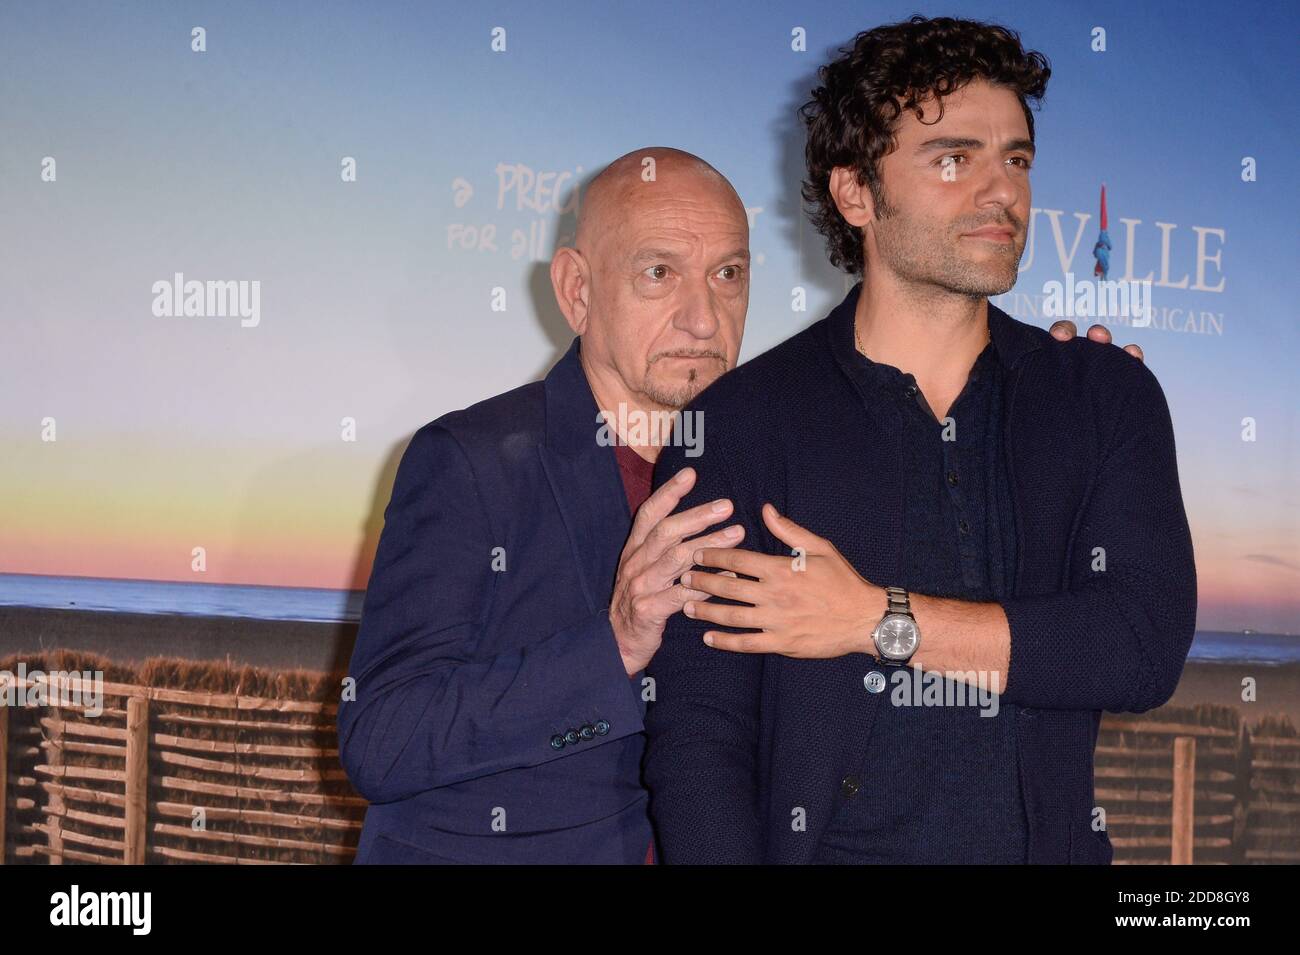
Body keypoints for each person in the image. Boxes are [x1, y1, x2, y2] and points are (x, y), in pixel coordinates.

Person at [642, 16, 1195, 865]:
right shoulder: (739, 423)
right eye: (952, 158)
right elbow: (697, 737)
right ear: (856, 193)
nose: (1001, 192)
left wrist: (874, 618)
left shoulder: (1104, 395)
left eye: (1015, 158)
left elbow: (1136, 645)